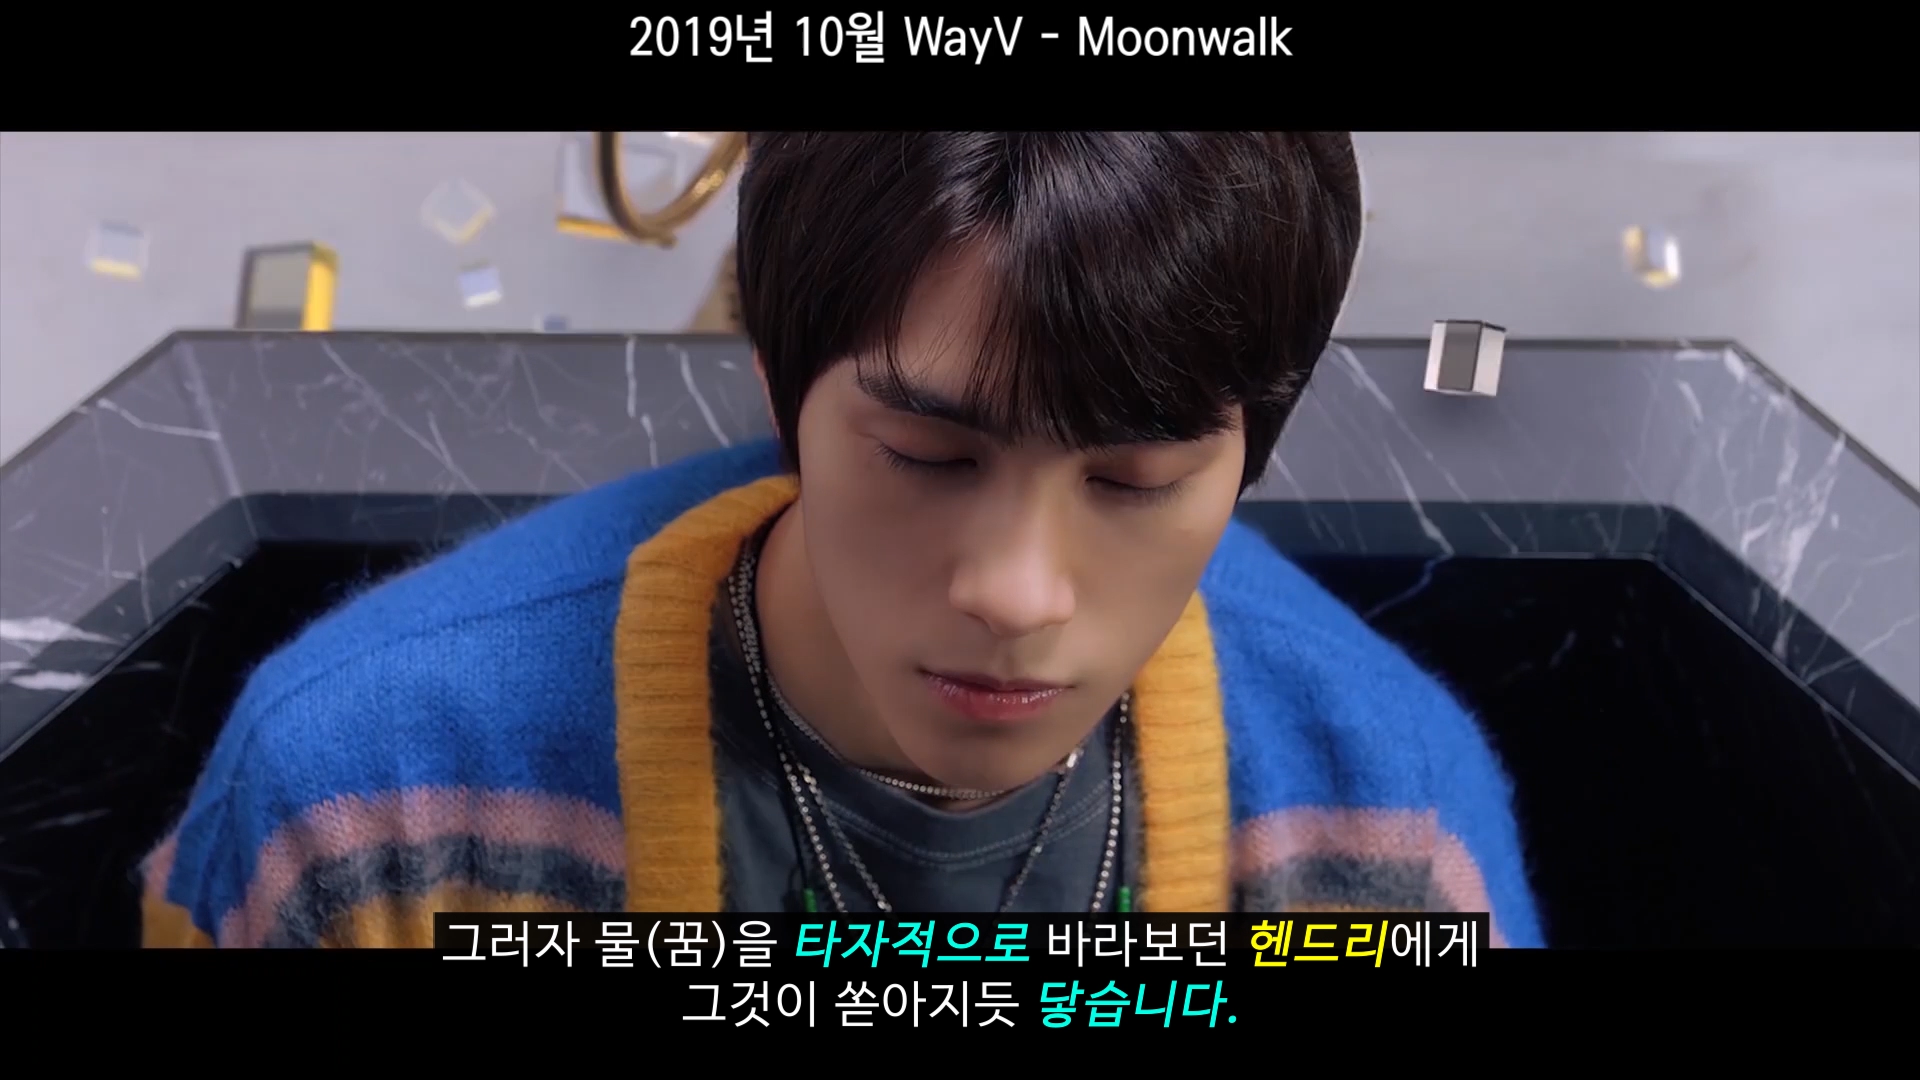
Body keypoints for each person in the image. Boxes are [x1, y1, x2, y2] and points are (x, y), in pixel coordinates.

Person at [142, 132, 1542, 947]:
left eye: (1135, 479)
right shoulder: (362, 795)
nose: (1016, 592)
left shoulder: (1390, 825)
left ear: (1248, 459)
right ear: (778, 390)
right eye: (928, 457)